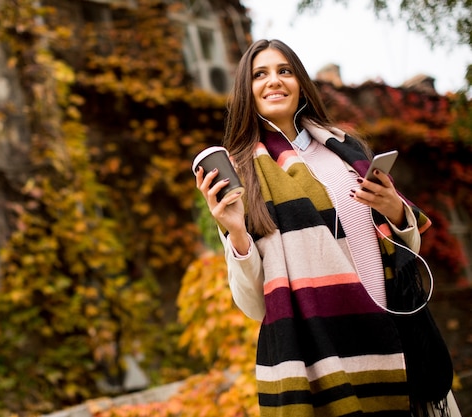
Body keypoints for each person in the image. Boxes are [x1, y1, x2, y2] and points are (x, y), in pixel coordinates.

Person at [195, 39, 461, 417]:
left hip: (399, 335)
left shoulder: (344, 148)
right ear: (246, 90)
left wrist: (396, 214)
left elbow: (406, 247)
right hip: (327, 354)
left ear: (300, 83)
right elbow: (256, 306)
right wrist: (236, 233)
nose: (274, 81)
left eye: (284, 71)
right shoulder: (243, 177)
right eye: (260, 74)